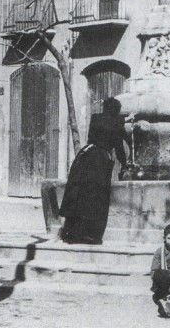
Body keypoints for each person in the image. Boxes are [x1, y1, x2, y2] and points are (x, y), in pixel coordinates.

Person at [59, 97, 129, 245]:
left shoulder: (95, 118)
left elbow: (92, 137)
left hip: (86, 155)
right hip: (101, 160)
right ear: (117, 110)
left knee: (80, 192)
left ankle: (72, 232)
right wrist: (125, 164)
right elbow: (119, 146)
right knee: (97, 197)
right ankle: (91, 234)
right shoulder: (117, 123)